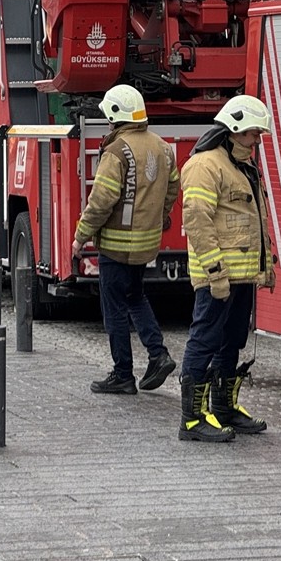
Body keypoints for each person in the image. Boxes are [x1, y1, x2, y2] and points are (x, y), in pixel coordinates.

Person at [177, 94, 277, 443]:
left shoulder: (241, 165)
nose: (256, 140)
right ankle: (191, 420)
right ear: (234, 129)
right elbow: (198, 222)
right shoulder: (206, 166)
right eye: (252, 133)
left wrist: (266, 267)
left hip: (242, 276)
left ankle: (222, 408)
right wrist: (215, 272)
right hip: (217, 277)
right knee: (205, 341)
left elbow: (254, 220)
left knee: (232, 341)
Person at [71, 84, 180, 396]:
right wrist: (159, 217)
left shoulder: (117, 151)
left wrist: (81, 236)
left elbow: (101, 200)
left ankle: (122, 375)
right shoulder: (162, 146)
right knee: (135, 297)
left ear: (116, 116)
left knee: (115, 308)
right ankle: (158, 354)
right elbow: (172, 187)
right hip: (146, 244)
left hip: (117, 246)